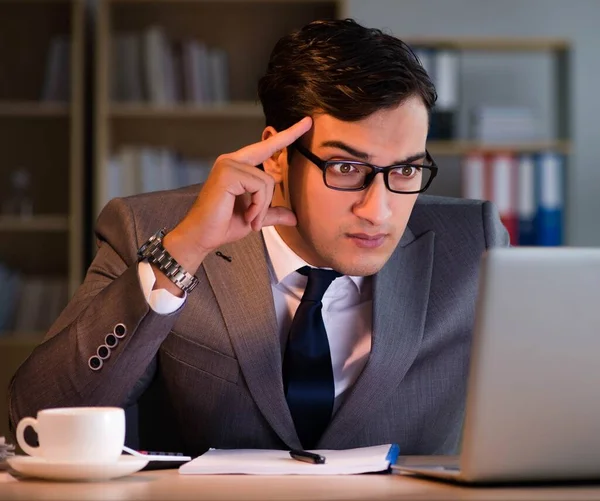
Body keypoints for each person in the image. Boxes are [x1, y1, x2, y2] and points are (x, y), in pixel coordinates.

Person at [9, 19, 508, 456]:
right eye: (346, 167)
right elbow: (36, 416)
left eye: (405, 170)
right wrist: (183, 253)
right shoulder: (152, 231)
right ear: (276, 156)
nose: (378, 209)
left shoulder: (474, 246)